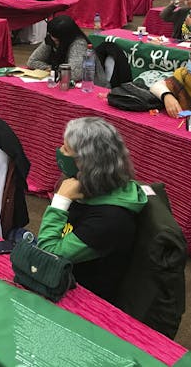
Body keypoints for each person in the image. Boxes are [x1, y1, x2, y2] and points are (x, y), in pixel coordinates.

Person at [37, 117, 147, 302]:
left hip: (80, 295)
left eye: (66, 149)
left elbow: (48, 255)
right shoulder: (91, 185)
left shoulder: (111, 219)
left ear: (85, 162)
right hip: (65, 276)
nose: (60, 152)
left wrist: (60, 202)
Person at [28, 15, 105, 83]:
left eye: (55, 37)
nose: (51, 38)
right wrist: (50, 68)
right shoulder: (52, 38)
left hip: (87, 86)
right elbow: (32, 61)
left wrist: (54, 70)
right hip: (60, 81)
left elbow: (74, 74)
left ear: (64, 37)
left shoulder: (79, 44)